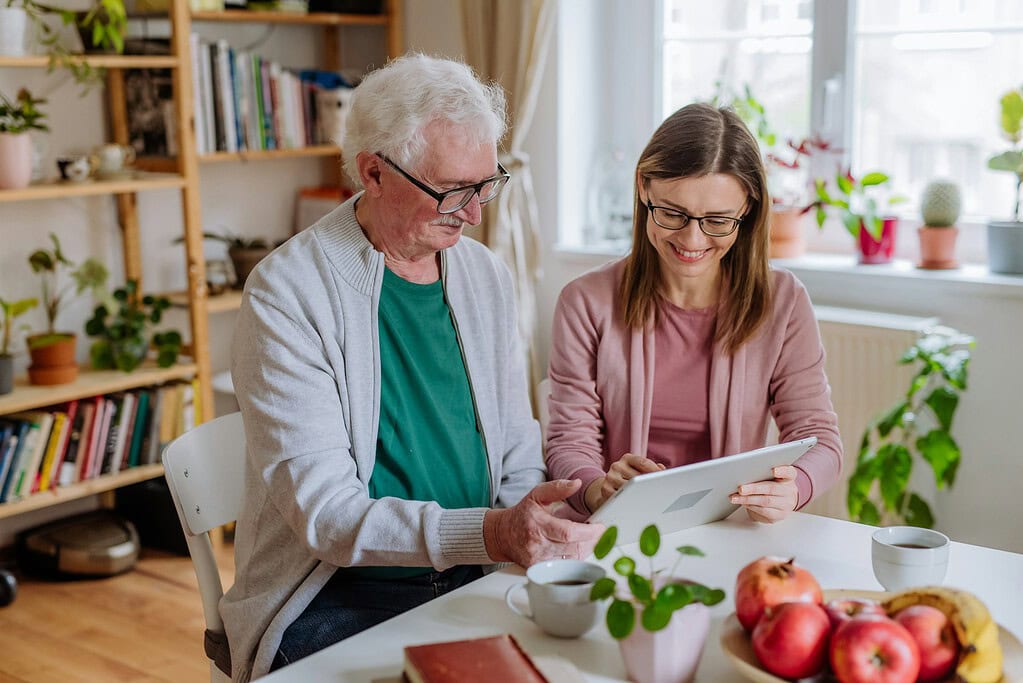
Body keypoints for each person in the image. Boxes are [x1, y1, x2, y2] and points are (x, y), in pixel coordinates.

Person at [222, 54, 603, 683]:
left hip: (476, 576)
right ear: (373, 171)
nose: (477, 212)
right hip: (331, 599)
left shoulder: (485, 275)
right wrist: (494, 534)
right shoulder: (286, 293)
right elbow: (329, 518)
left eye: (487, 184)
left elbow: (514, 447)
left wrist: (532, 528)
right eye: (455, 190)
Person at [545, 102, 842, 523]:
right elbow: (567, 441)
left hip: (726, 530)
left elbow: (820, 441)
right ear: (644, 188)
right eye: (673, 213)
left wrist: (793, 485)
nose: (692, 239)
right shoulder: (585, 302)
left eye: (718, 221)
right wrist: (597, 488)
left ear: (748, 211)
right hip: (613, 530)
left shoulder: (784, 302)